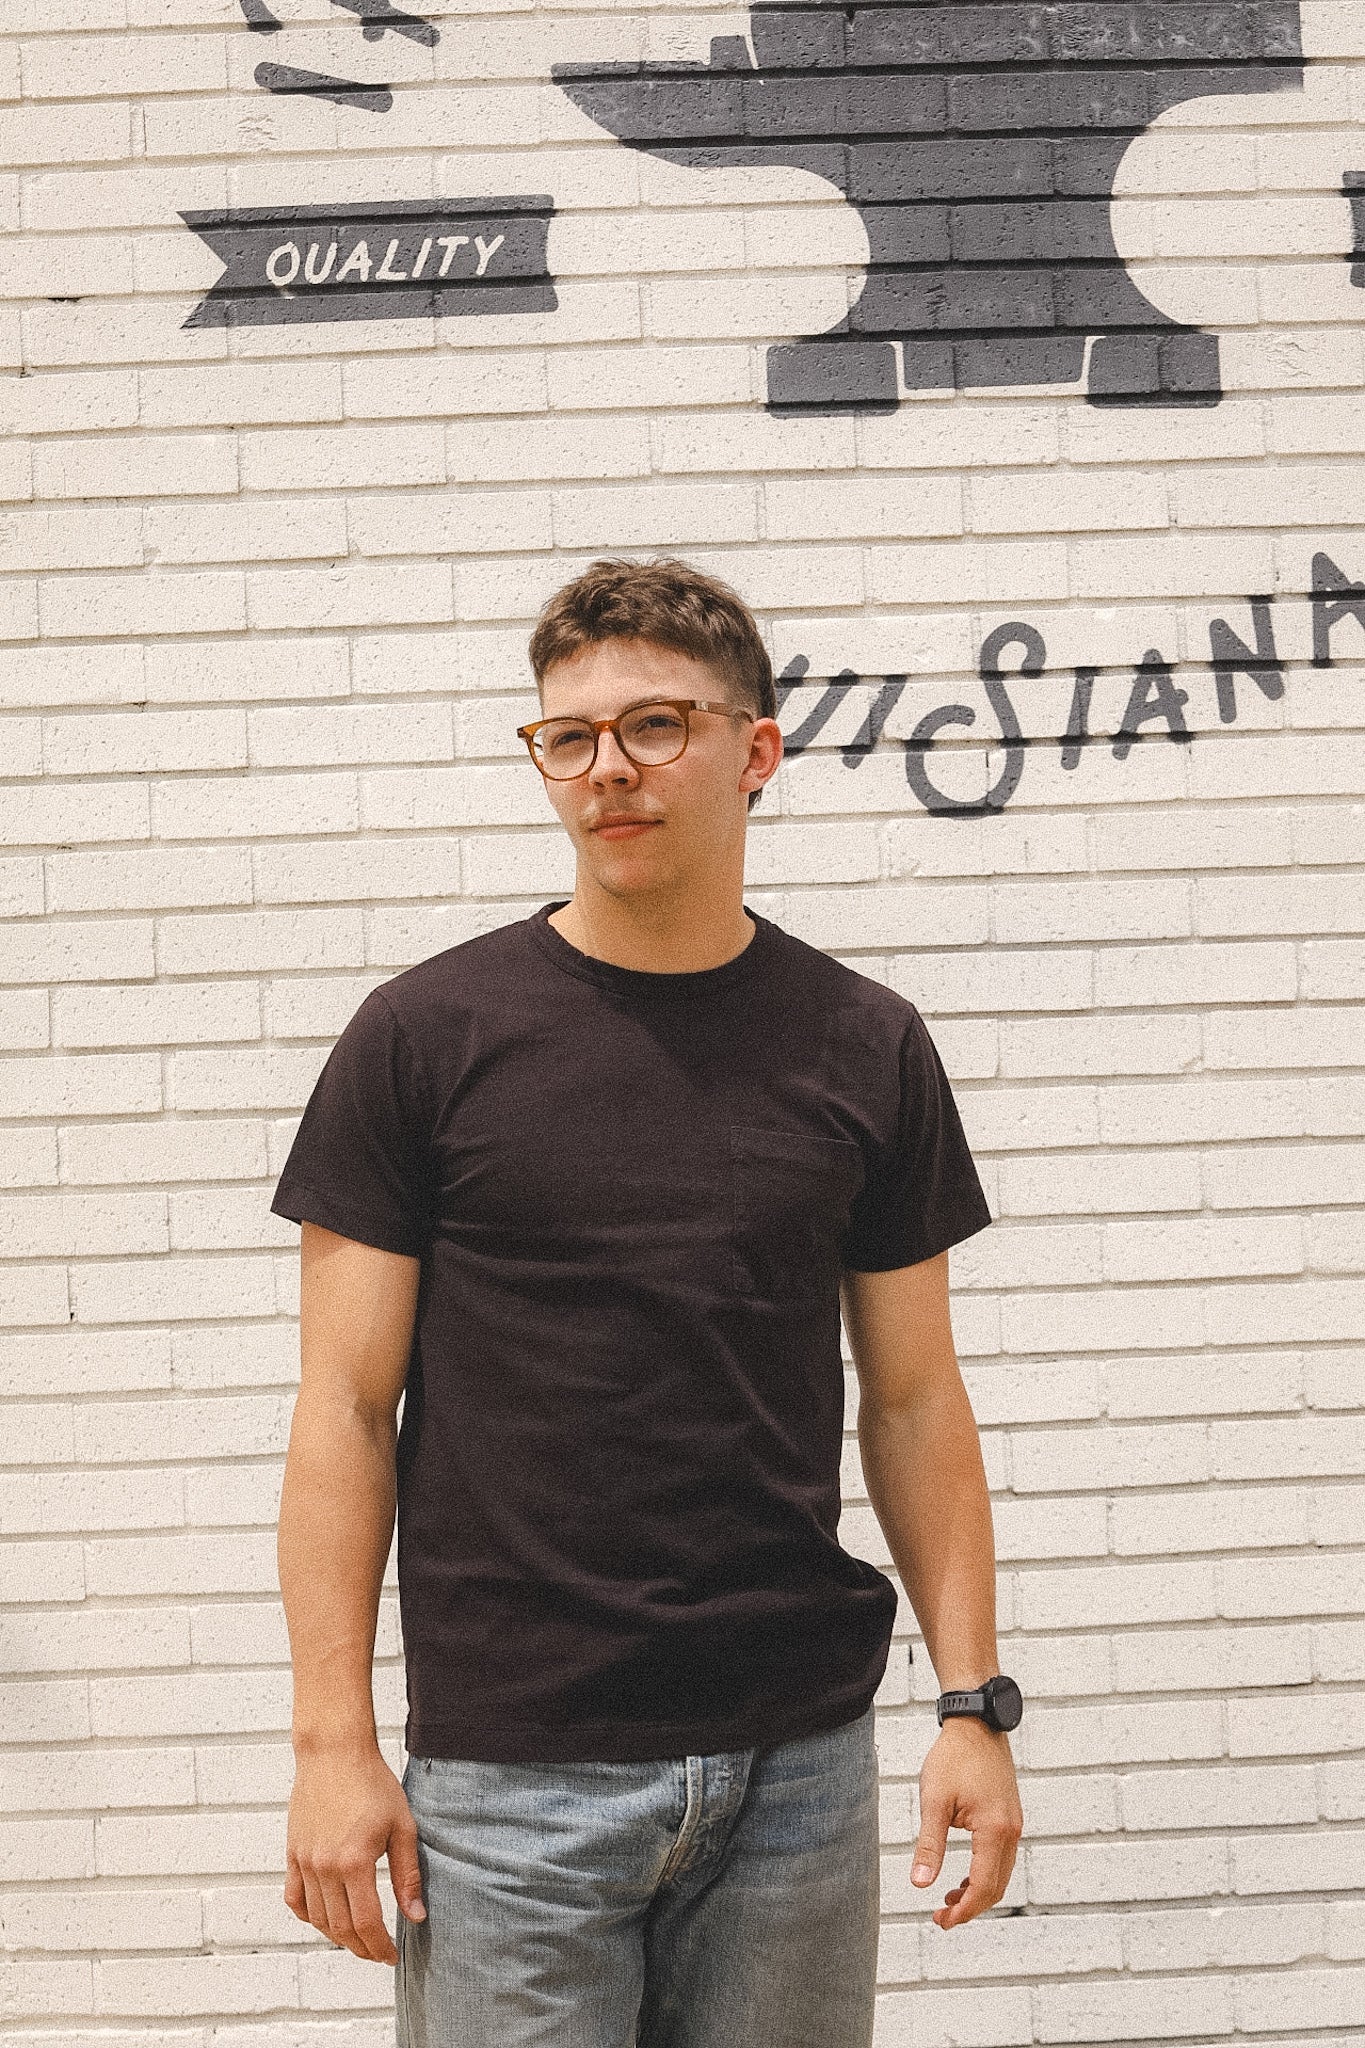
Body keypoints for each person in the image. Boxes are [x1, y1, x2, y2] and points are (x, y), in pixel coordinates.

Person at [270, 556, 1023, 2048]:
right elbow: (347, 1410)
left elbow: (918, 1397)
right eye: (569, 735)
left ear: (755, 752)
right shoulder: (424, 1040)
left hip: (793, 1765)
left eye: (656, 726)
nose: (606, 768)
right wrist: (329, 1747)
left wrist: (970, 1703)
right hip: (512, 1777)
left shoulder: (863, 1045)